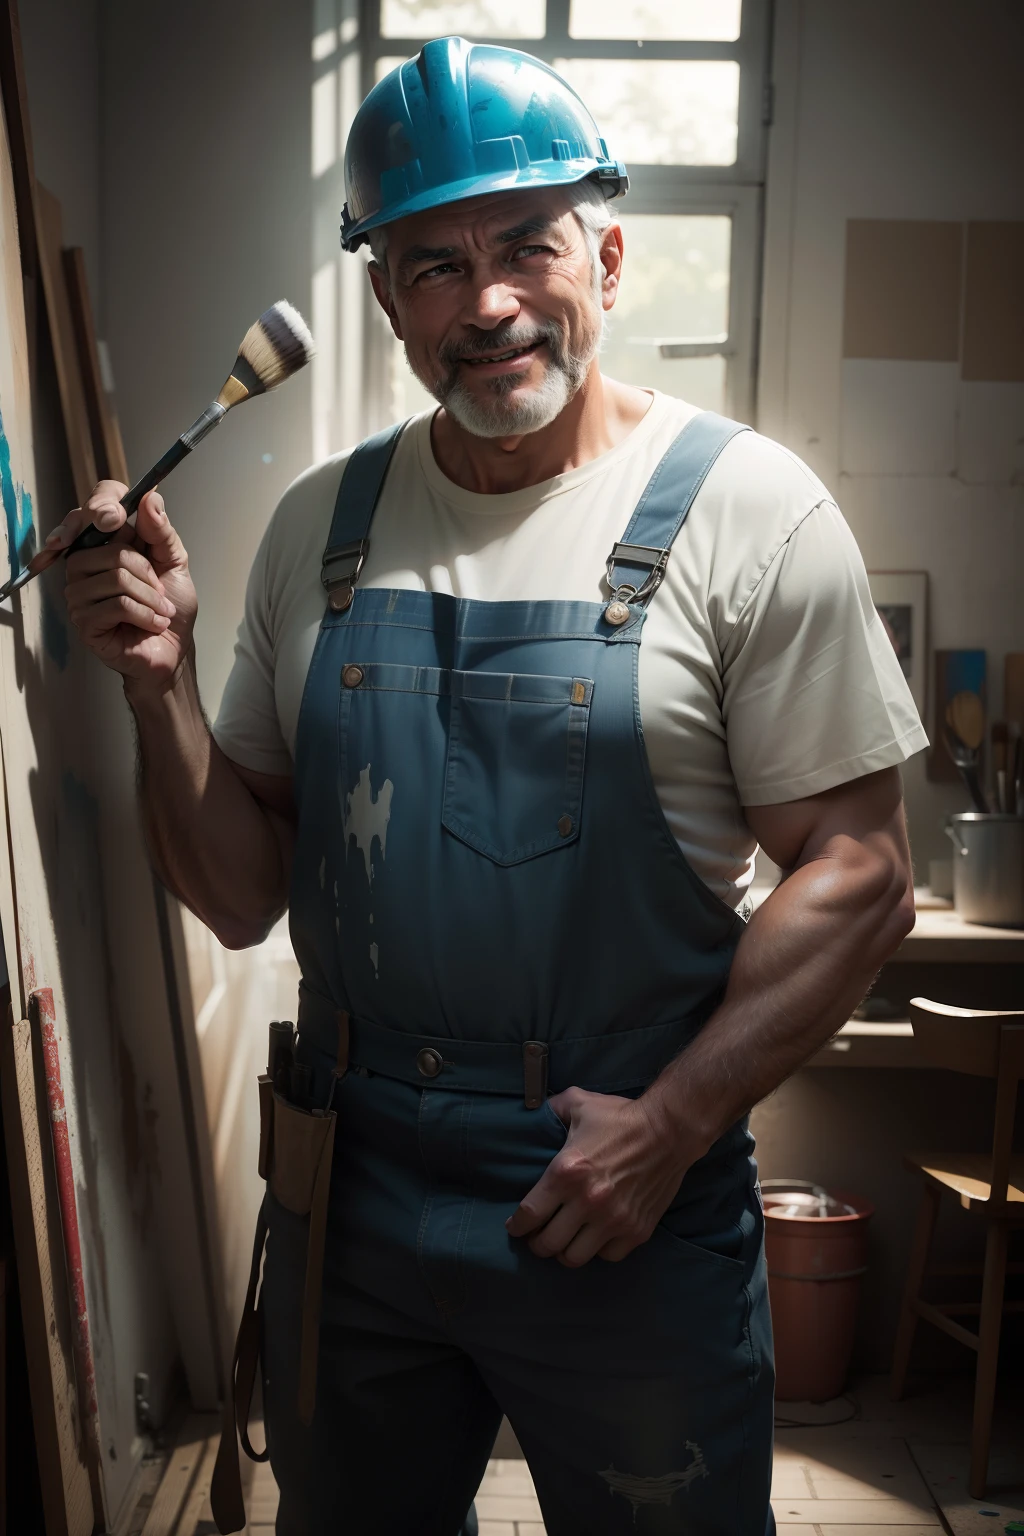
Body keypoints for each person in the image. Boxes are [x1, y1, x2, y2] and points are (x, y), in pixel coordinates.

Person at [55, 37, 925, 1536]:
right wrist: (160, 689)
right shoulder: (319, 527)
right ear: (387, 298)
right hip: (356, 1183)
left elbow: (862, 870)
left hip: (621, 1183)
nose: (491, 301)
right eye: (436, 264)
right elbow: (239, 893)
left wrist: (670, 1126)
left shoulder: (748, 512)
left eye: (529, 244)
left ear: (608, 249)